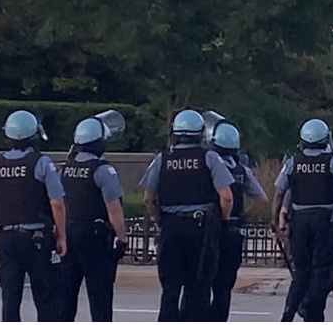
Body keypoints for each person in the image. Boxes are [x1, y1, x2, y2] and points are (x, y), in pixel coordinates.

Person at [140, 110, 235, 321]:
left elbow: (148, 198)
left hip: (171, 229)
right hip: (201, 231)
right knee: (198, 288)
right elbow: (226, 196)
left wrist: (160, 220)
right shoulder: (209, 158)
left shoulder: (161, 160)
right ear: (201, 133)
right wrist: (223, 220)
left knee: (170, 290)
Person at [272, 118, 333, 322]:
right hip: (324, 223)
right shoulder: (332, 163)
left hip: (299, 224)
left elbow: (279, 194)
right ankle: (311, 309)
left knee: (301, 274)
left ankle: (288, 315)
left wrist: (276, 224)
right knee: (321, 270)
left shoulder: (293, 162)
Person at [0, 110, 66, 322]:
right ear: (33, 136)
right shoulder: (41, 163)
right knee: (45, 297)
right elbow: (57, 203)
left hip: (7, 239)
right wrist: (61, 236)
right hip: (36, 239)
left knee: (10, 299)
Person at [60, 116, 126, 322]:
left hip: (69, 233)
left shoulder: (65, 168)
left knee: (66, 294)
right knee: (100, 294)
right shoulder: (103, 170)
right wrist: (122, 238)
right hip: (95, 237)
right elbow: (114, 209)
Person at [207, 122, 267, 321]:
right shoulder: (242, 170)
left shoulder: (209, 165)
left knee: (202, 283)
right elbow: (261, 199)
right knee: (224, 288)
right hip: (234, 232)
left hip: (211, 231)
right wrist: (244, 217)